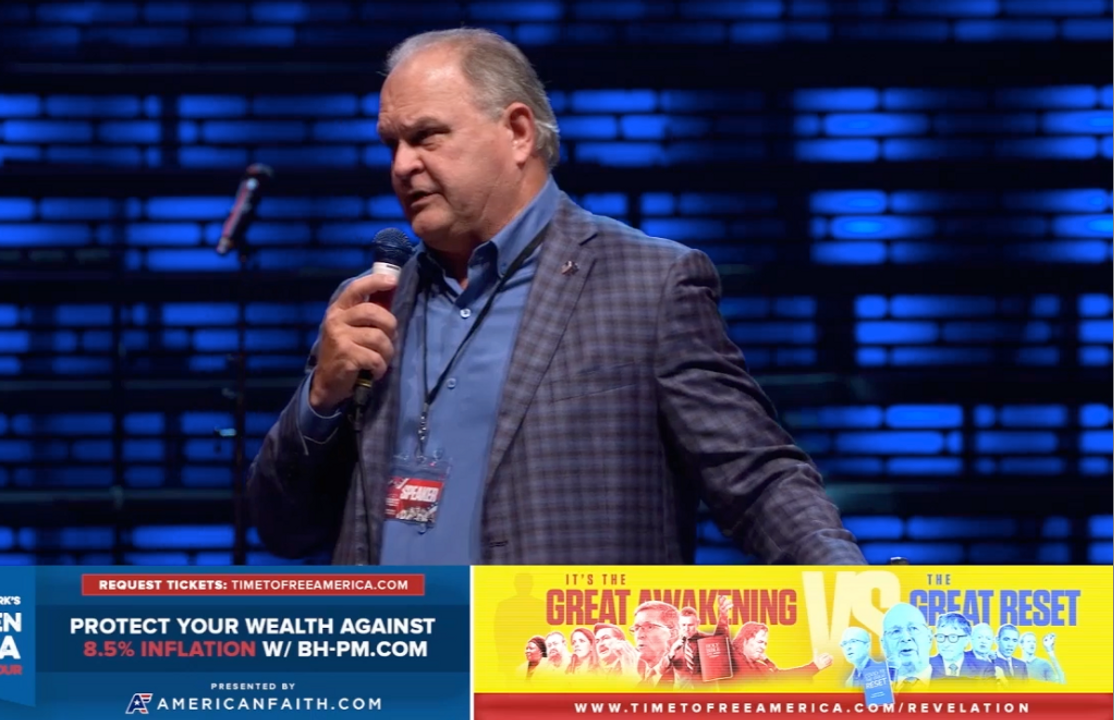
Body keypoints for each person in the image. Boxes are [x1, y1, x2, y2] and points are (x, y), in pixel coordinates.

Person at [247, 27, 866, 565]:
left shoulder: (648, 285)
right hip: (399, 656)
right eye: (392, 144)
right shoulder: (371, 306)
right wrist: (320, 399)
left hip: (562, 658)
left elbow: (755, 479)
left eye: (427, 137)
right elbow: (283, 528)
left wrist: (852, 595)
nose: (401, 166)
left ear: (518, 132)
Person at [727, 621, 832, 684]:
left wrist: (815, 666)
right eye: (760, 642)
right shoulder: (730, 660)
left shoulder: (760, 667)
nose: (763, 647)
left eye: (765, 644)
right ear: (745, 640)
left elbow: (781, 676)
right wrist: (723, 620)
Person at [881, 603, 933, 690]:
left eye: (914, 628)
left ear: (930, 637)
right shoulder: (873, 691)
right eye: (895, 631)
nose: (905, 638)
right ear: (884, 644)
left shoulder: (955, 684)